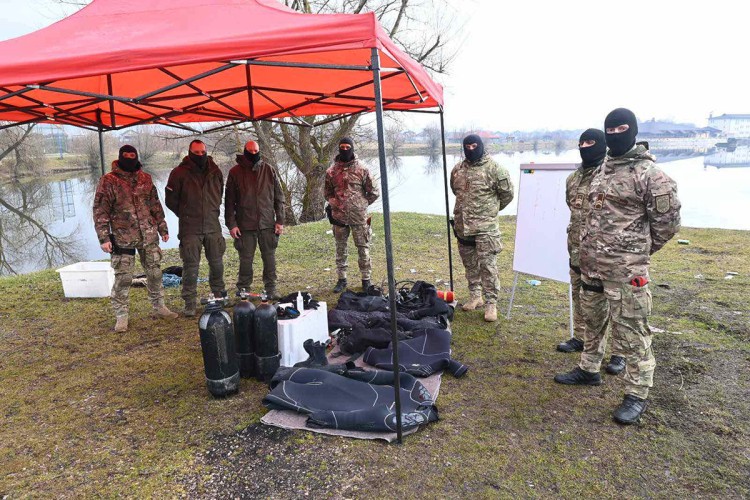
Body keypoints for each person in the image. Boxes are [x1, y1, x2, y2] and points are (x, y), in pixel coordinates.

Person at [554, 108, 681, 425]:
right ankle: (588, 369)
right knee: (592, 322)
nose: (614, 134)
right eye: (609, 129)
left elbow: (666, 225)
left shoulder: (651, 176)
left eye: (621, 128)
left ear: (634, 131)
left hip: (626, 273)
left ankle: (636, 394)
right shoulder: (601, 171)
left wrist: (636, 251)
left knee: (632, 334)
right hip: (592, 267)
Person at [555, 129, 625, 375]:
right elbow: (573, 209)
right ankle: (583, 338)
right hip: (578, 250)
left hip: (608, 255)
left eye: (591, 142)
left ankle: (619, 352)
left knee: (615, 303)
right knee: (582, 297)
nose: (584, 146)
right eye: (581, 142)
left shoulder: (611, 175)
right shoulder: (573, 178)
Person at [93, 145, 178, 332]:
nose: (130, 159)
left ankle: (159, 306)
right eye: (126, 156)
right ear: (120, 157)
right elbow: (100, 211)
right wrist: (104, 238)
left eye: (133, 156)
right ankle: (121, 315)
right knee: (123, 278)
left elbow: (155, 204)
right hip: (123, 237)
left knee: (155, 273)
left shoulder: (145, 178)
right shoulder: (108, 181)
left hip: (148, 235)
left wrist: (163, 228)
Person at [450, 134, 514, 322]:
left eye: (474, 145)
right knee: (470, 264)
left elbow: (507, 195)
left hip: (486, 229)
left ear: (481, 146)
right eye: (467, 146)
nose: (470, 149)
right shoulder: (457, 169)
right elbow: (455, 191)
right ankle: (475, 296)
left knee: (487, 266)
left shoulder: (495, 169)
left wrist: (490, 211)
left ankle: (491, 303)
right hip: (463, 227)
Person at [165, 139, 226, 316]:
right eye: (196, 152)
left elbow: (219, 193)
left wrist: (211, 209)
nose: (200, 155)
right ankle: (189, 303)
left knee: (217, 264)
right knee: (191, 266)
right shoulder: (178, 173)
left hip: (212, 225)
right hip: (189, 227)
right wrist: (185, 213)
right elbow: (170, 200)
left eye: (202, 152)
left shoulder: (215, 171)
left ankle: (219, 297)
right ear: (190, 152)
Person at [225, 140, 285, 299]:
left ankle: (271, 289)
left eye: (256, 150)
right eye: (250, 151)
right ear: (244, 151)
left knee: (269, 259)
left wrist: (280, 220)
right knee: (245, 261)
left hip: (267, 224)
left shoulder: (269, 170)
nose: (253, 153)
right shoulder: (235, 172)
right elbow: (229, 202)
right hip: (245, 225)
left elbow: (279, 198)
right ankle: (243, 290)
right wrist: (232, 224)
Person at [324, 137, 379, 293]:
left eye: (348, 146)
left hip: (358, 217)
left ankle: (366, 279)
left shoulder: (362, 169)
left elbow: (374, 192)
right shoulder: (331, 171)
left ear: (352, 148)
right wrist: (335, 203)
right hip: (338, 217)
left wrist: (361, 204)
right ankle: (341, 279)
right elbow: (327, 193)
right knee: (340, 249)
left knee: (363, 248)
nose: (345, 149)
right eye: (342, 147)